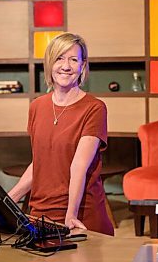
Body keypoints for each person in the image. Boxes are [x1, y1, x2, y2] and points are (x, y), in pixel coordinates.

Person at [8, 32, 114, 236]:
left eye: (74, 60)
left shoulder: (94, 108)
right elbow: (39, 162)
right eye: (59, 58)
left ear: (82, 66)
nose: (66, 66)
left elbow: (79, 166)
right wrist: (7, 199)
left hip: (79, 215)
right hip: (39, 213)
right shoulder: (37, 106)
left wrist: (71, 214)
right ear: (49, 64)